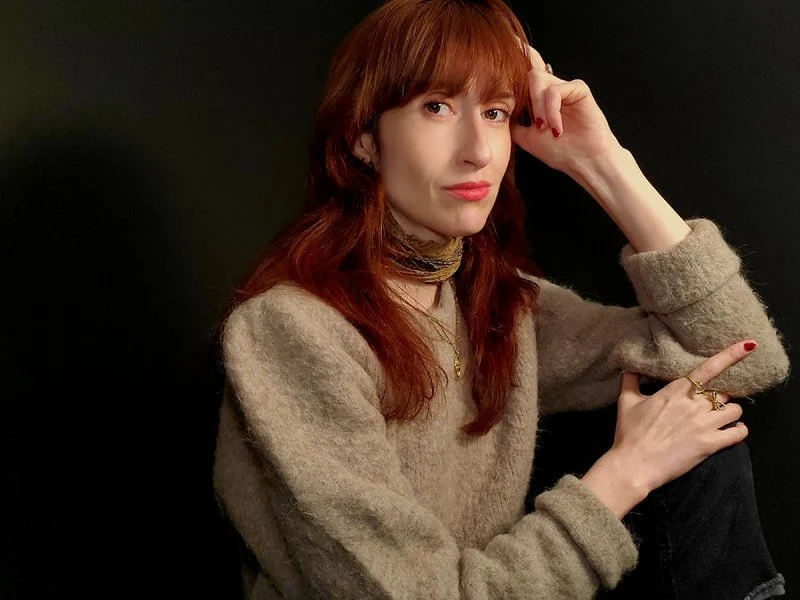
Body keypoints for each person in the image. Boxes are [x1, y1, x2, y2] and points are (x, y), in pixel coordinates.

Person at [212, 0, 791, 598]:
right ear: (363, 137)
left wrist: (603, 165)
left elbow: (744, 357)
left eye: (495, 112)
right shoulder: (290, 330)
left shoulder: (497, 306)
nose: (479, 151)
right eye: (436, 107)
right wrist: (625, 475)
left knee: (703, 448)